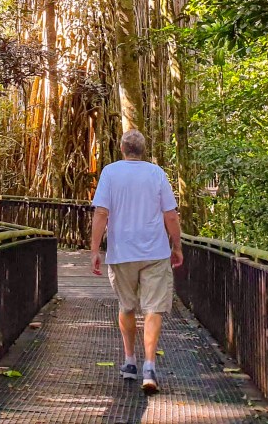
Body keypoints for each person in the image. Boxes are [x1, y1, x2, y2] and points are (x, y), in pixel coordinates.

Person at [90, 129, 184, 395]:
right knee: (153, 308)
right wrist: (177, 246)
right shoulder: (157, 173)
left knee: (127, 306)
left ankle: (130, 361)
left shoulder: (110, 172)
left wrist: (94, 250)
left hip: (121, 252)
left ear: (122, 149)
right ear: (143, 150)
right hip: (155, 252)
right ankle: (149, 367)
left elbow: (101, 213)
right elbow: (171, 215)